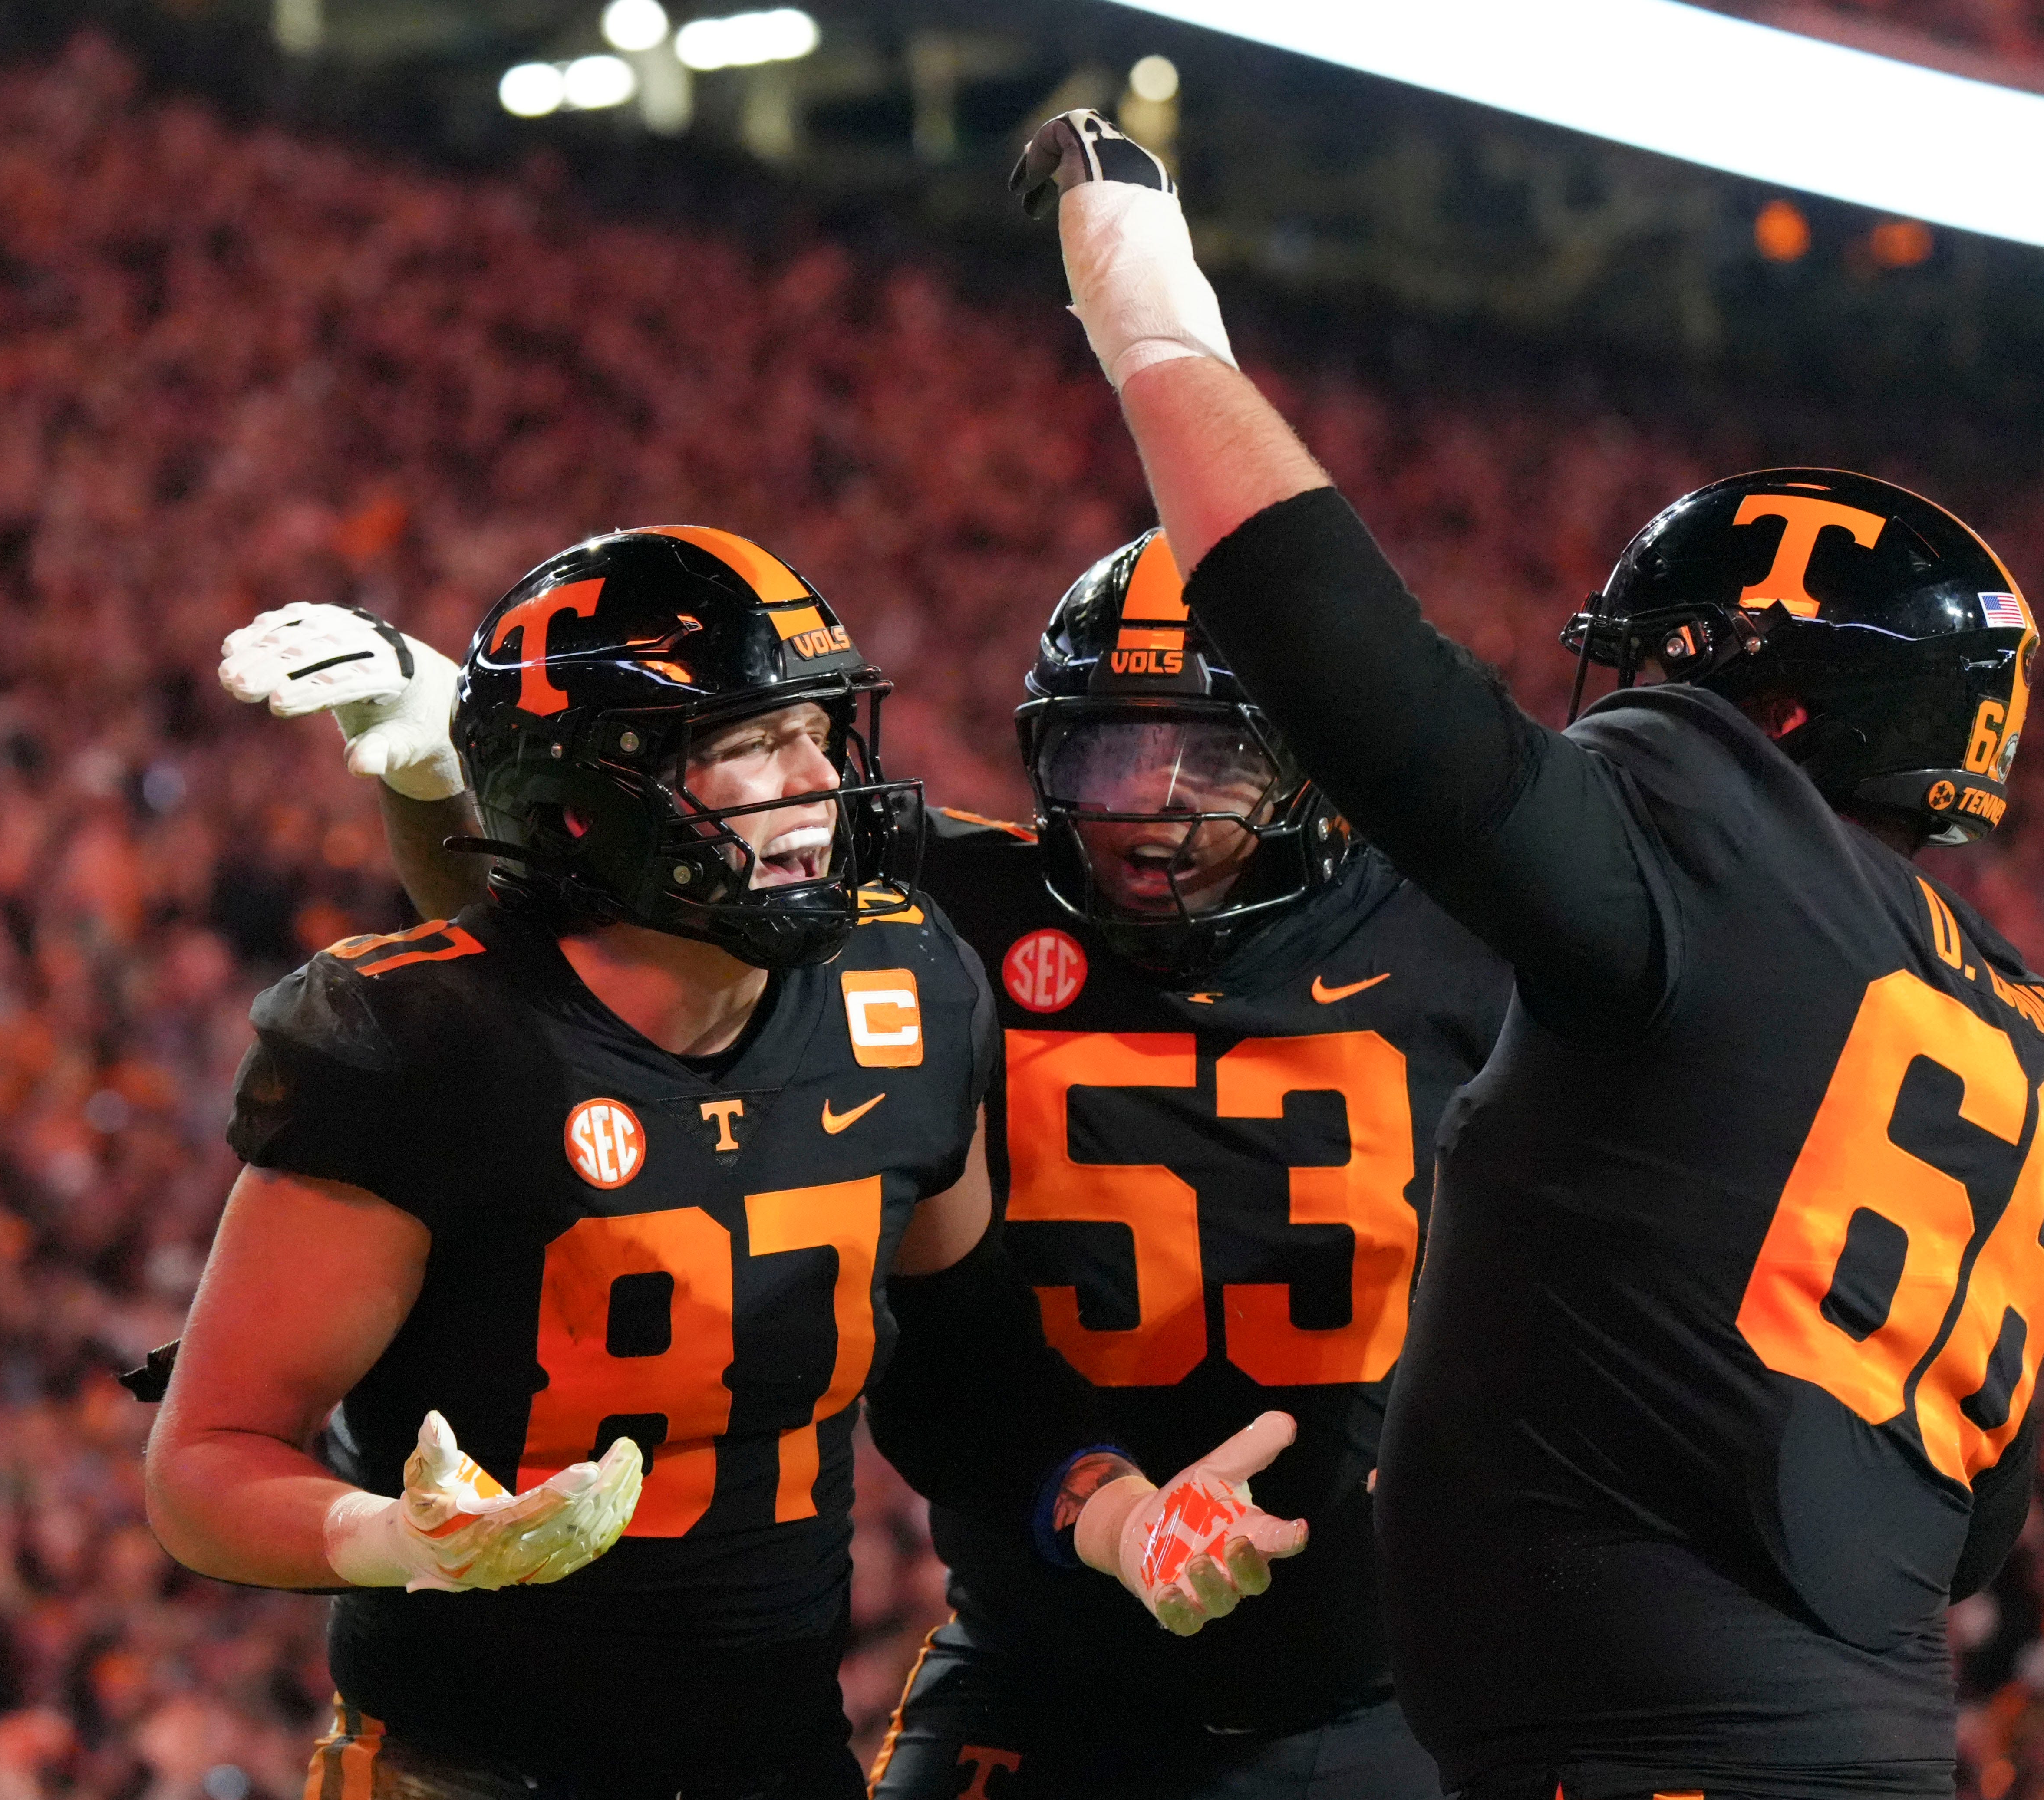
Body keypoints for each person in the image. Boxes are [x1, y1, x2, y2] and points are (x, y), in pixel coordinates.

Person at [1009, 112, 2044, 1800]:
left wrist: (1154, 319)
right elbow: (1971, 1524)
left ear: (1766, 708)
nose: (1624, 708)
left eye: (1661, 669)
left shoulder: (1725, 839)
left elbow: (1395, 712)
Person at [223, 525, 1514, 1800]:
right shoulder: (927, 909)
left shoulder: (1470, 940)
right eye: (1103, 746)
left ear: (1316, 754)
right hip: (1036, 1647)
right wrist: (446, 780)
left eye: (1210, 754)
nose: (1144, 800)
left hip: (1370, 1663)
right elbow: (570, 949)